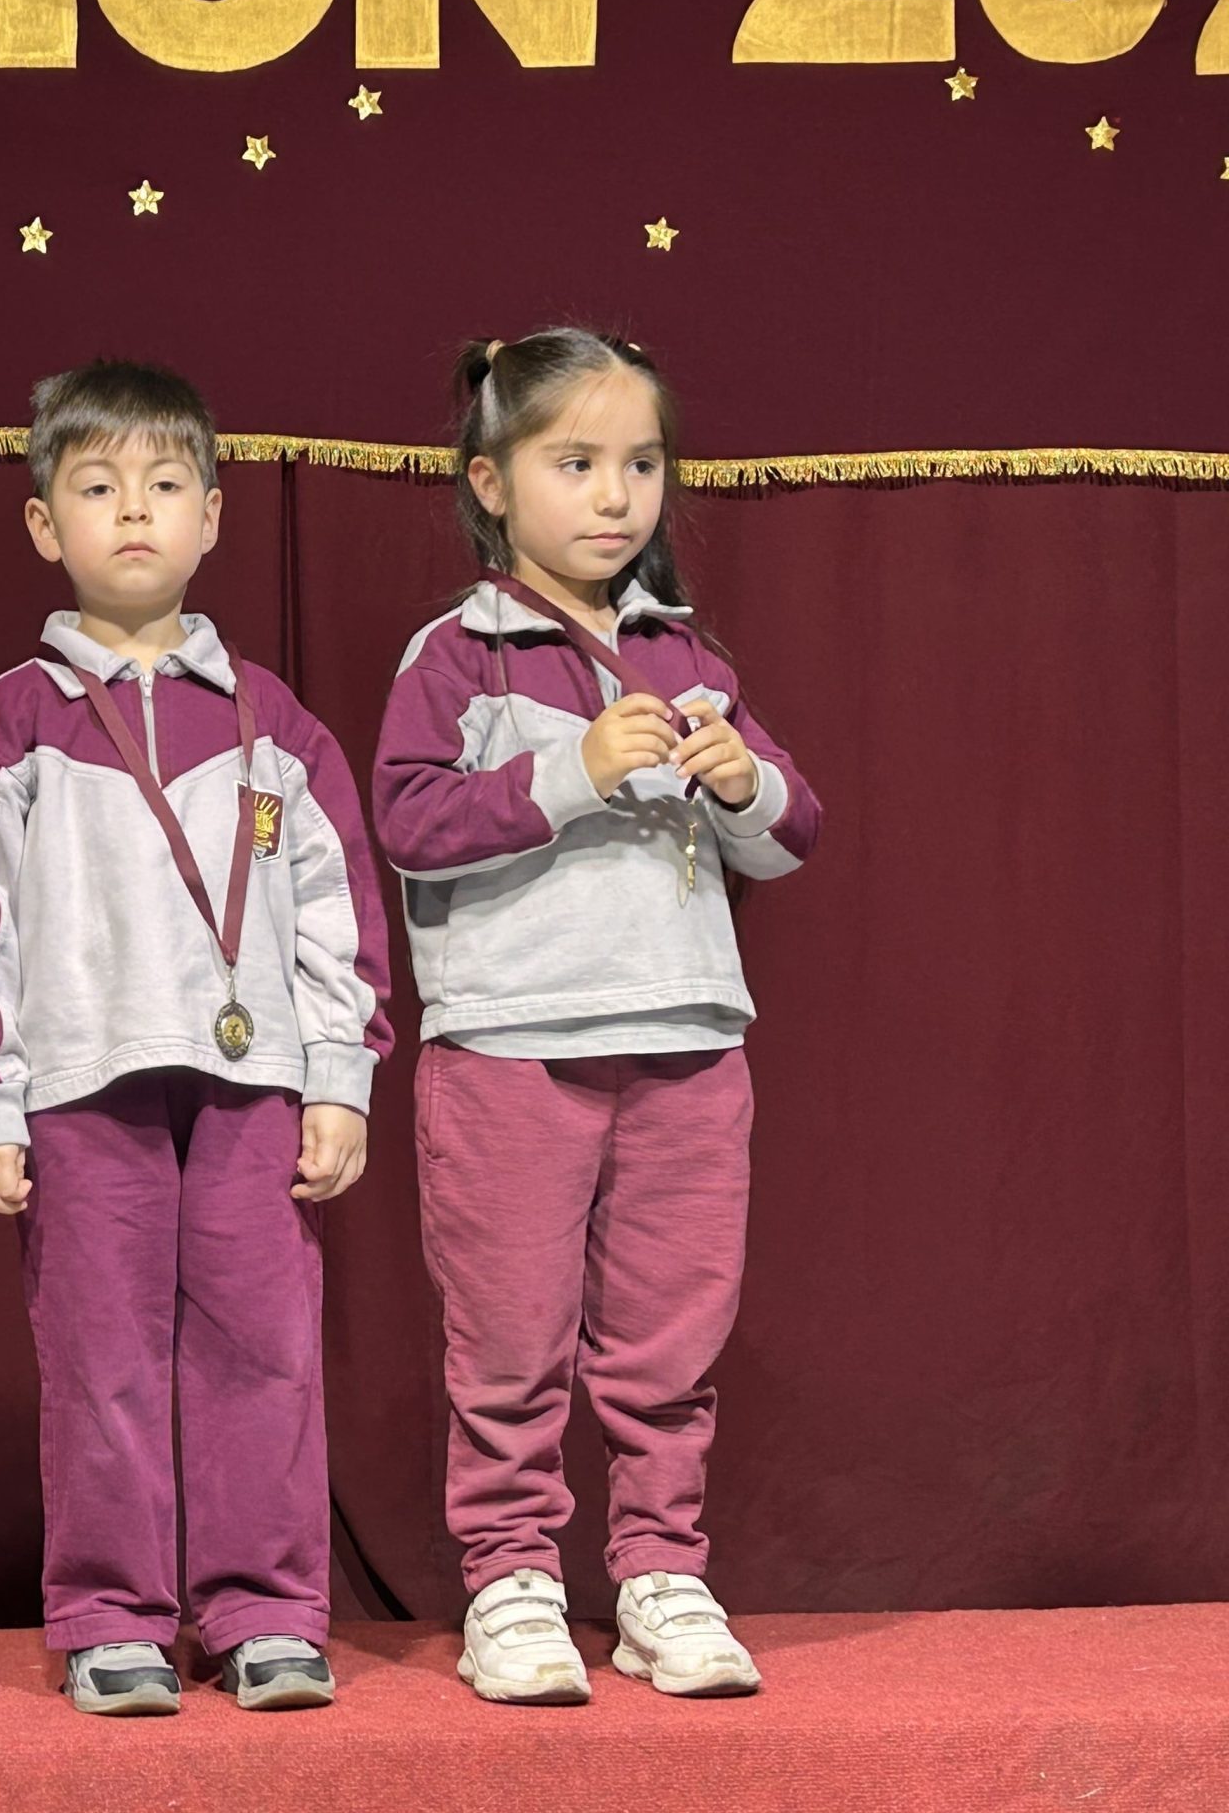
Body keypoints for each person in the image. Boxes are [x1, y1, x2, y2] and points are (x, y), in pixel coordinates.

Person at [0, 361, 390, 1715]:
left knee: (262, 1348)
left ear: (212, 516)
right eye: (97, 487)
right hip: (81, 1087)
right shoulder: (12, 719)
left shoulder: (272, 722)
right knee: (101, 1355)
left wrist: (340, 1077)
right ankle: (113, 1615)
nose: (134, 511)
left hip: (255, 1081)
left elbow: (337, 908)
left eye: (166, 485)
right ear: (43, 524)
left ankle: (264, 1610)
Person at [371, 329, 821, 1704]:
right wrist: (569, 768)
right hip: (512, 1044)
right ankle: (510, 1579)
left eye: (641, 464)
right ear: (491, 482)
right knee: (511, 1337)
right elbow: (408, 821)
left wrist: (742, 781)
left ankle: (660, 1576)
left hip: (689, 1039)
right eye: (575, 464)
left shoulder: (688, 653)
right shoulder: (459, 654)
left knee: (669, 1336)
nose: (616, 496)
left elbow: (792, 836)